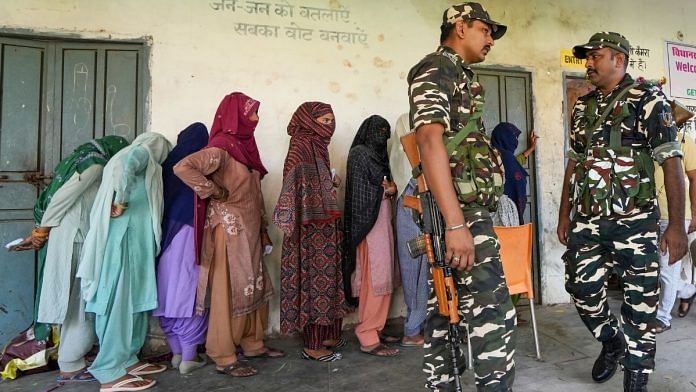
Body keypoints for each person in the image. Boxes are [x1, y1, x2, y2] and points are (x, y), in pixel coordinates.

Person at [557, 32, 688, 391]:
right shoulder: (582, 107)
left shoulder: (648, 100)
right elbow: (574, 163)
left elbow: (672, 164)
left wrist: (676, 226)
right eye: (586, 58)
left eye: (595, 56)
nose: (588, 64)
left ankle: (636, 378)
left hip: (635, 222)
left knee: (640, 304)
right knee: (580, 288)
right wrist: (564, 214)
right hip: (587, 219)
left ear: (618, 59)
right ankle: (612, 342)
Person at [408, 3, 515, 391]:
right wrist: (455, 224)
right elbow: (428, 139)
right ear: (459, 26)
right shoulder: (437, 68)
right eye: (485, 30)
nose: (490, 39)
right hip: (459, 213)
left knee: (446, 309)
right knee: (494, 315)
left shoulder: (460, 73)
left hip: (462, 211)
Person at [174, 92, 282, 378]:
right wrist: (213, 191)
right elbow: (183, 167)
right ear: (235, 116)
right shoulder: (221, 148)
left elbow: (254, 193)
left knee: (253, 285)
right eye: (251, 113)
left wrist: (263, 230)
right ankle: (223, 355)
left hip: (250, 230)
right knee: (227, 291)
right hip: (229, 232)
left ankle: (253, 343)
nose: (256, 119)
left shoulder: (245, 148)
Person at [11, 136, 129, 383]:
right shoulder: (95, 165)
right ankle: (71, 364)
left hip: (71, 235)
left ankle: (70, 358)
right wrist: (42, 229)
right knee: (79, 300)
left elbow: (83, 199)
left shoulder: (83, 161)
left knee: (73, 298)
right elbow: (63, 197)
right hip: (75, 238)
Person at [77, 132, 172, 391]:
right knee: (119, 301)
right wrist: (121, 201)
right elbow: (128, 165)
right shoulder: (141, 152)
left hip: (135, 242)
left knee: (136, 301)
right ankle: (108, 369)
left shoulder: (148, 163)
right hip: (124, 241)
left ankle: (128, 359)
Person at [273, 102, 348, 362]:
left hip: (325, 230)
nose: (329, 126)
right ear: (308, 120)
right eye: (324, 121)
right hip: (307, 232)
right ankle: (312, 346)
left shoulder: (319, 147)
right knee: (312, 285)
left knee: (327, 283)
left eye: (331, 120)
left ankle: (327, 336)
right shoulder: (301, 146)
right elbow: (293, 185)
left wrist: (329, 180)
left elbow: (315, 181)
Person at [153, 123, 210, 374]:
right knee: (189, 291)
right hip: (191, 234)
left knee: (167, 292)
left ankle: (176, 353)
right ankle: (189, 357)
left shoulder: (166, 166)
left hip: (164, 236)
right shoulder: (201, 165)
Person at [344, 114, 400, 358]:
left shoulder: (379, 156)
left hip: (382, 222)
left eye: (386, 133)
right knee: (375, 277)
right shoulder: (359, 154)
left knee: (384, 274)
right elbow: (361, 190)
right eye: (379, 131)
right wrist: (385, 190)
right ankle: (368, 334)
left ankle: (376, 327)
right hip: (368, 224)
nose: (383, 137)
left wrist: (391, 188)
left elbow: (385, 184)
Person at [389, 113, 428, 347]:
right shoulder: (407, 156)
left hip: (412, 218)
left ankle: (418, 325)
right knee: (417, 272)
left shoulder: (400, 156)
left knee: (420, 272)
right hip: (413, 219)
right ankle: (412, 331)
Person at [653, 130, 696, 332]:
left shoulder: (685, 141)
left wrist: (694, 214)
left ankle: (663, 317)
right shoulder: (644, 140)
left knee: (667, 266)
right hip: (648, 213)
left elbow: (694, 179)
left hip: (675, 215)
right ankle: (686, 290)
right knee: (654, 267)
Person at [490, 122, 537, 224]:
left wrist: (531, 149)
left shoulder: (491, 154)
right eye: (514, 137)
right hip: (504, 215)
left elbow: (513, 164)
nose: (516, 141)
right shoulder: (507, 157)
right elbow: (513, 169)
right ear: (505, 137)